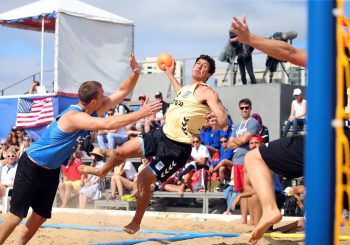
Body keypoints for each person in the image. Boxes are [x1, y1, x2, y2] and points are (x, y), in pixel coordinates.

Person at [0, 53, 162, 245]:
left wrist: (135, 73)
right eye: (101, 95)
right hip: (33, 164)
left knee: (40, 215)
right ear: (93, 100)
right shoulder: (74, 116)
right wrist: (140, 113)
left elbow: (121, 92)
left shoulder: (92, 109)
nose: (105, 98)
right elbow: (109, 124)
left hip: (50, 170)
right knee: (16, 215)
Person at [80, 54, 228, 234]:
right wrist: (170, 73)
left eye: (204, 66)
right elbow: (179, 90)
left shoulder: (208, 92)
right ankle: (102, 171)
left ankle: (136, 221)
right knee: (119, 152)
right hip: (161, 135)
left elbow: (222, 116)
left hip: (177, 149)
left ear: (209, 74)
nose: (198, 67)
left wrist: (217, 121)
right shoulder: (187, 89)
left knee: (143, 179)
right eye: (197, 64)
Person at [231, 15, 307, 244]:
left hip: (329, 139)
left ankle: (271, 210)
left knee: (254, 158)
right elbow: (289, 52)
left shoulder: (335, 57)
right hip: (334, 141)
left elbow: (290, 53)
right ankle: (271, 213)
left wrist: (251, 39)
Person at [227, 98, 260, 224]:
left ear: (251, 108)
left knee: (249, 191)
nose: (244, 110)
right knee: (241, 191)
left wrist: (237, 140)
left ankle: (252, 219)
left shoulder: (253, 122)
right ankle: (243, 218)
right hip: (237, 161)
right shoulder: (237, 125)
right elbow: (229, 145)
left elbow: (241, 141)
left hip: (248, 160)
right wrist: (239, 140)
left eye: (246, 107)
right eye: (242, 108)